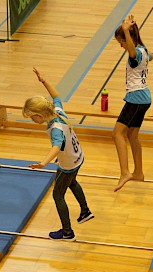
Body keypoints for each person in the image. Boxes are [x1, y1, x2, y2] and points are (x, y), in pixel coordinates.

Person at [22, 67, 94, 241]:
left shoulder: (55, 129)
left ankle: (67, 232)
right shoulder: (57, 111)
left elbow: (56, 146)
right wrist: (44, 80)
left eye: (32, 118)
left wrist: (44, 162)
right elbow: (56, 97)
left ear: (39, 115)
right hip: (78, 157)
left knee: (58, 194)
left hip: (68, 163)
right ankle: (85, 211)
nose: (33, 121)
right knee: (72, 182)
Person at [113, 14, 153, 192]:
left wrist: (125, 31)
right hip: (143, 98)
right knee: (132, 136)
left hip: (137, 98)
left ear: (129, 39)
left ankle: (125, 172)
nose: (121, 45)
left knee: (117, 134)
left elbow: (132, 52)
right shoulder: (143, 51)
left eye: (122, 41)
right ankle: (138, 172)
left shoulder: (135, 52)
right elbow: (145, 58)